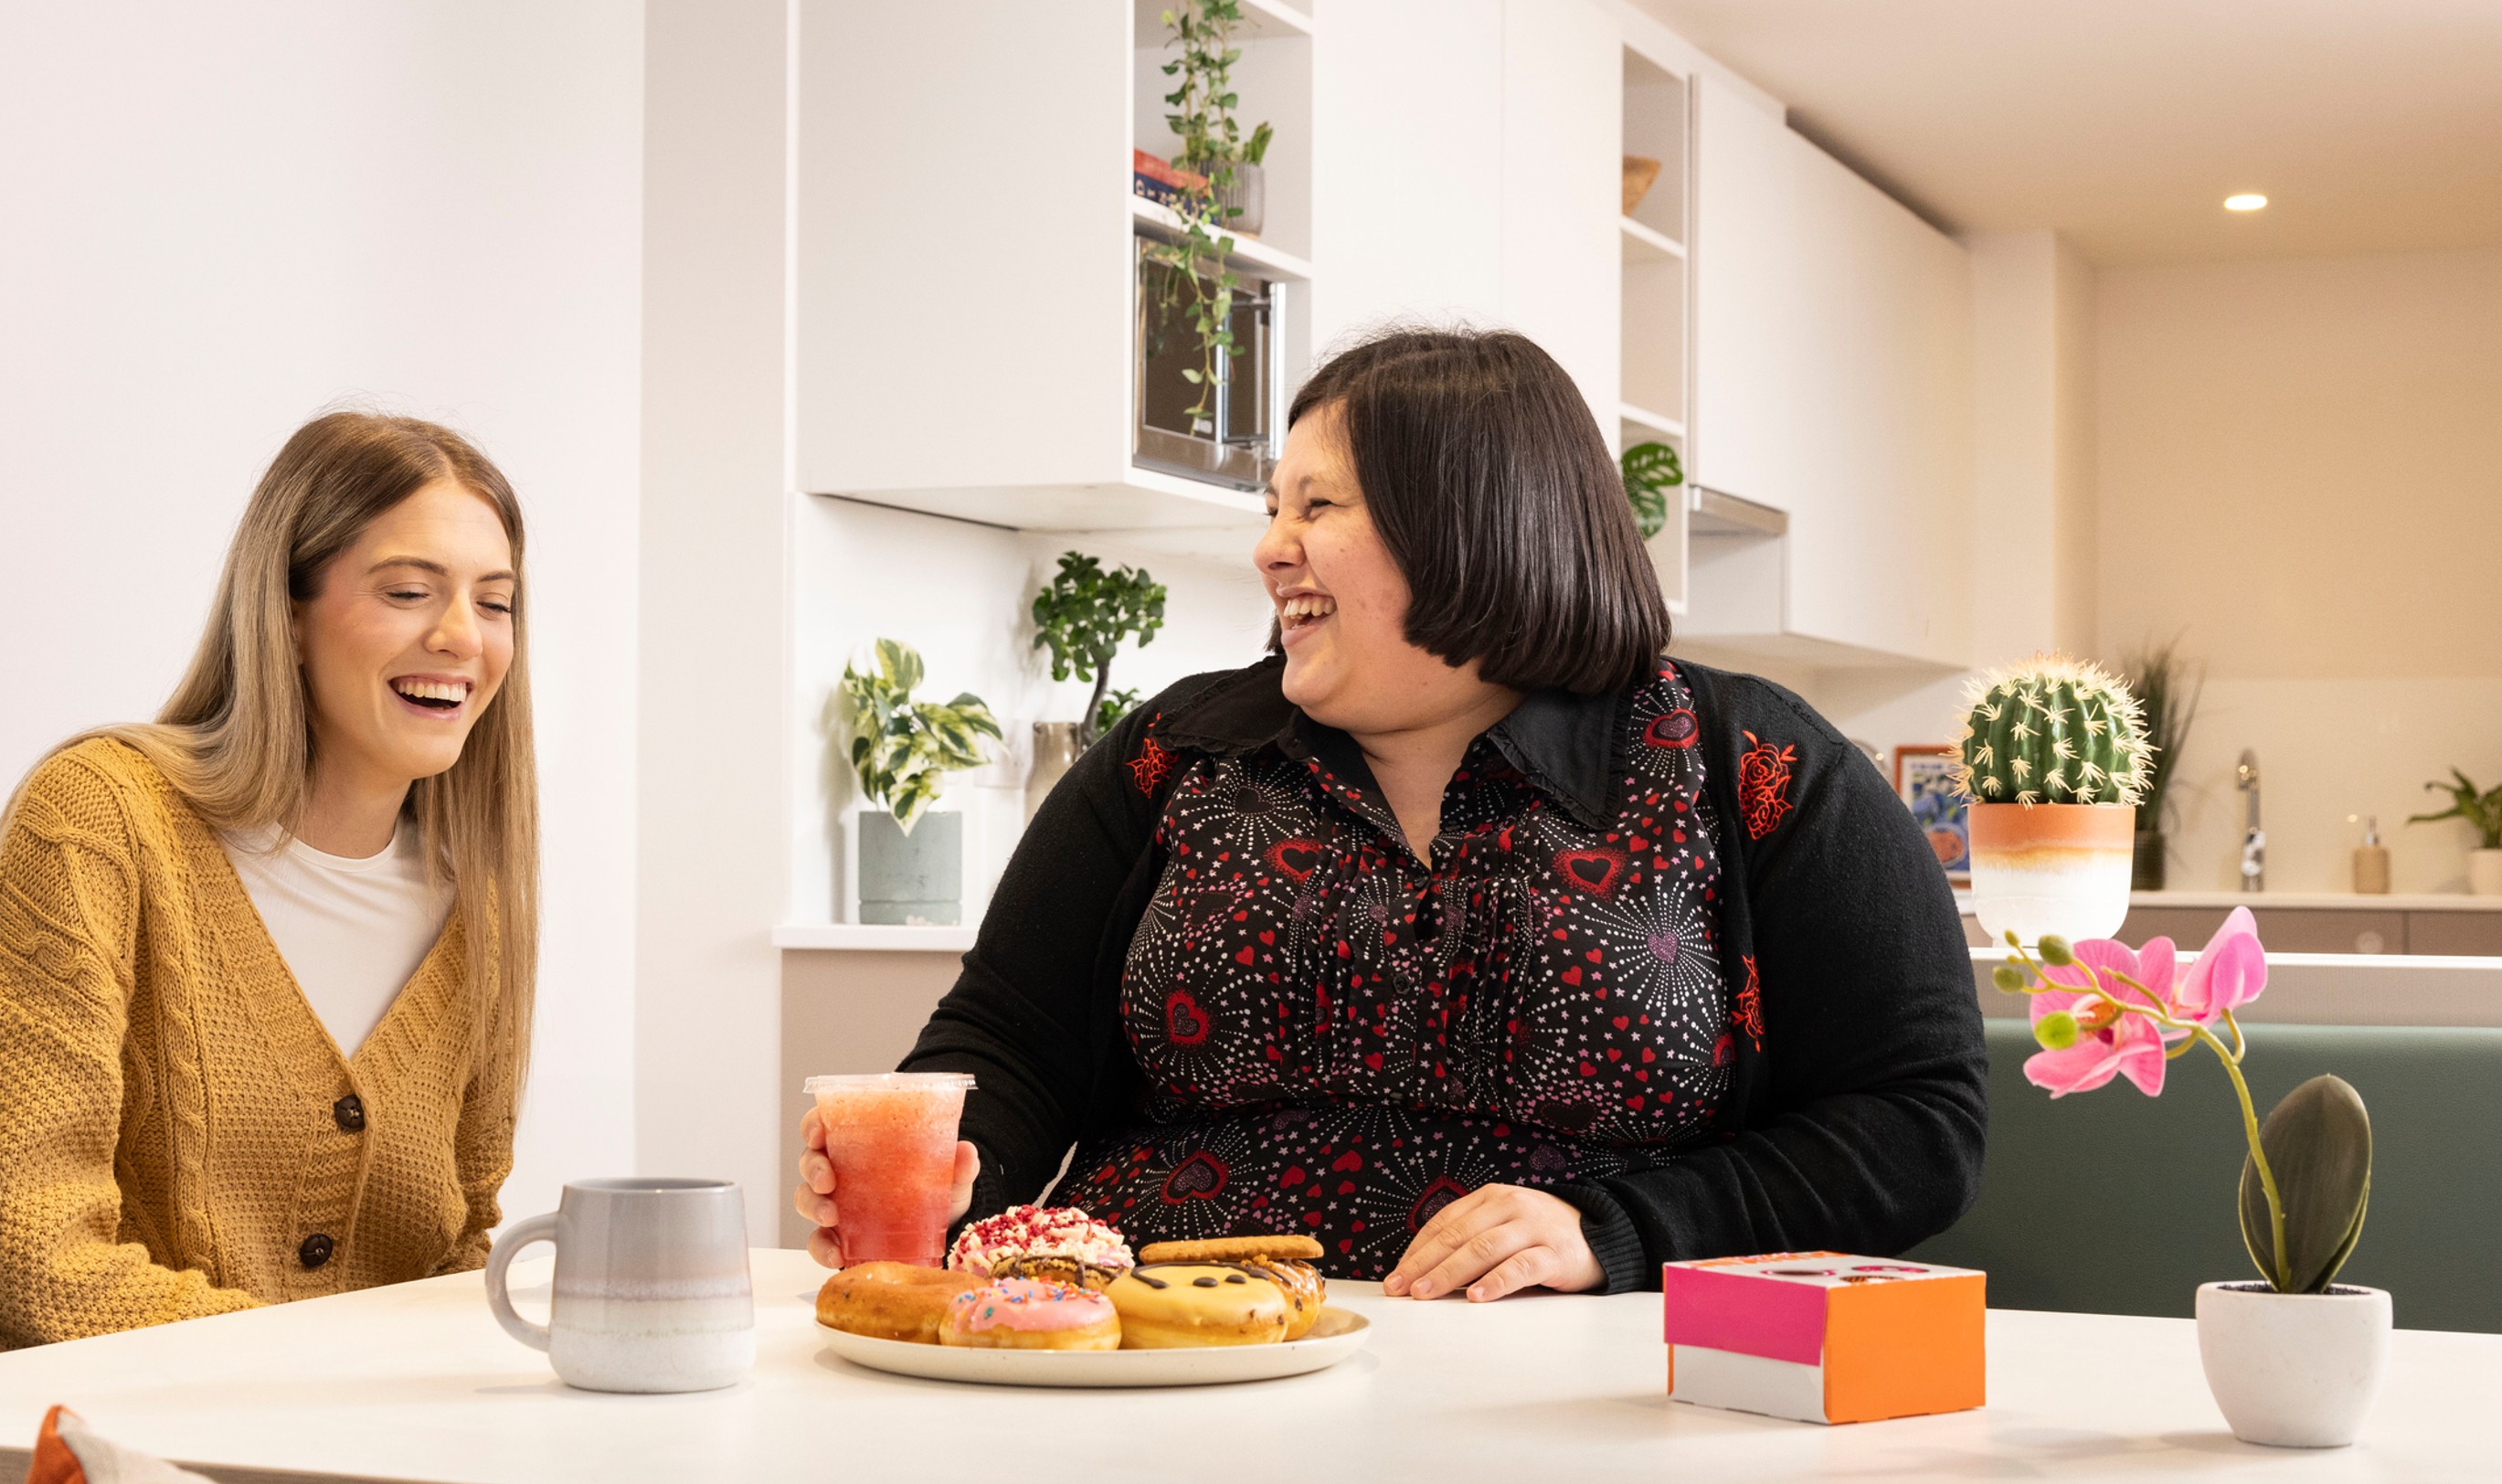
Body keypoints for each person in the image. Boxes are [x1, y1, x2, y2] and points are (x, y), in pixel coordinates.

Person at [799, 326, 1981, 1301]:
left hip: (1586, 1389)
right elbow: (1008, 1044)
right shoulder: (1173, 755)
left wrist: (1615, 1228)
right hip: (1158, 1363)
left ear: (1476, 520)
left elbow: (1917, 1124)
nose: (1270, 548)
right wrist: (956, 1167)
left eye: (1317, 503)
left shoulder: (1755, 763)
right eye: (1272, 506)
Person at [0, 409, 537, 1484]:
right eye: (409, 589)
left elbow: (455, 1243)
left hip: (318, 1483)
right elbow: (8, 1252)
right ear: (284, 607)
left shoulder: (479, 891)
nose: (463, 636)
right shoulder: (101, 819)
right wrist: (334, 1367)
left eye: (495, 600)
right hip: (38, 1477)